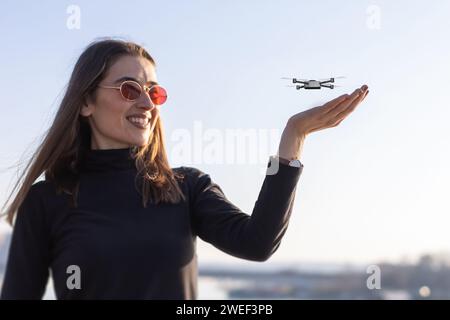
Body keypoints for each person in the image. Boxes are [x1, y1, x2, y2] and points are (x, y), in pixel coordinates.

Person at [0, 39, 369, 299]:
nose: (147, 102)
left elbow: (257, 244)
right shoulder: (47, 200)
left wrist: (294, 139)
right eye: (130, 89)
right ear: (85, 103)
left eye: (154, 92)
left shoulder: (186, 187)